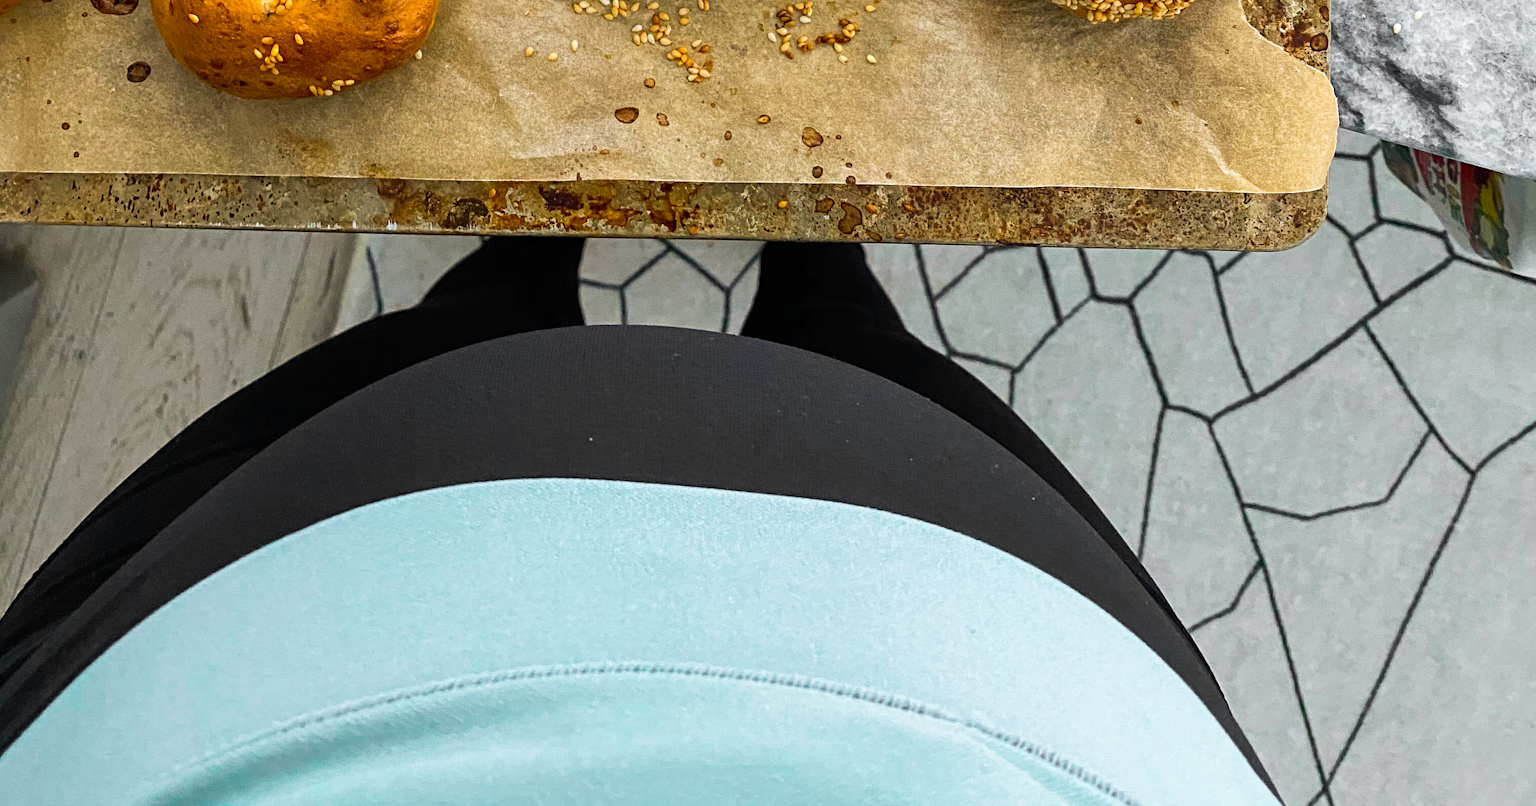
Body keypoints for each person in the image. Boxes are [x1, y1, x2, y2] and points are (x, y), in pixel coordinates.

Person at [0, 238, 1275, 803]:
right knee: (857, 352)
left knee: (458, 334)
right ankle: (817, 250)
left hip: (277, 636)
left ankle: (537, 247)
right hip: (998, 662)